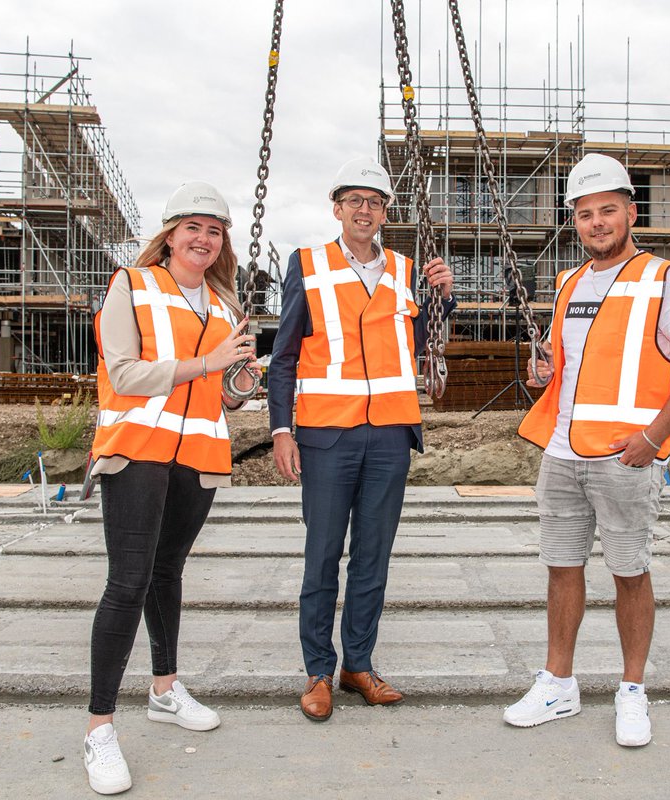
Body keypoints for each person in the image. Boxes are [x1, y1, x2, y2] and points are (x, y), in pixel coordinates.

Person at [508, 153, 670, 747]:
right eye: (584, 214)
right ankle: (559, 683)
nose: (596, 222)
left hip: (626, 457)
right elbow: (570, 368)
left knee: (629, 571)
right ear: (574, 221)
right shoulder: (569, 283)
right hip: (562, 452)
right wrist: (542, 372)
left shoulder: (664, 279)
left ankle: (632, 691)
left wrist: (652, 440)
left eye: (607, 210)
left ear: (631, 212)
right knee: (561, 568)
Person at [83, 182, 259, 795]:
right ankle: (99, 728)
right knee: (126, 583)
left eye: (215, 231)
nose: (204, 240)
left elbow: (223, 398)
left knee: (168, 575)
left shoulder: (223, 303)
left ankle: (164, 689)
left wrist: (239, 380)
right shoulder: (130, 286)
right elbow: (125, 373)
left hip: (198, 456)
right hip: (136, 452)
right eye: (193, 227)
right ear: (168, 233)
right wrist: (209, 364)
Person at [268, 157, 456, 723]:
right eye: (354, 200)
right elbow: (283, 357)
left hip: (391, 435)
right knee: (323, 556)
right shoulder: (309, 265)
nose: (365, 209)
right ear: (337, 208)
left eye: (374, 201)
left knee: (373, 557)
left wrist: (444, 298)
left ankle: (360, 664)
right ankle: (319, 671)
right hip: (327, 436)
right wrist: (282, 430)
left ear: (384, 211)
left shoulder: (404, 269)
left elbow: (420, 335)